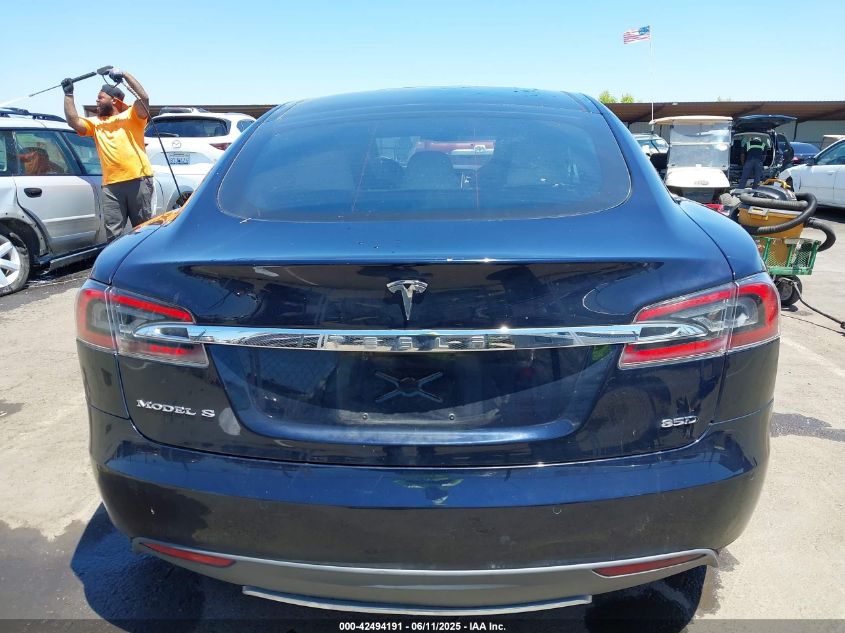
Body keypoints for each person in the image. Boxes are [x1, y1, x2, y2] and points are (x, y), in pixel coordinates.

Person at [61, 69, 153, 241]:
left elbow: (144, 98)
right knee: (113, 234)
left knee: (143, 231)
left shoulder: (132, 116)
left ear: (114, 101)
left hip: (138, 180)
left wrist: (124, 74)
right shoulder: (96, 124)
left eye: (100, 97)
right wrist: (69, 95)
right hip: (111, 185)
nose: (96, 101)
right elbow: (73, 121)